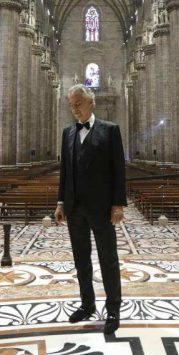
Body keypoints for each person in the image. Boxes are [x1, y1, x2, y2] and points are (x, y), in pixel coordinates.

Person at [55, 84, 126, 335]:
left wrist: (118, 204)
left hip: (102, 208)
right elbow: (65, 172)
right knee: (81, 260)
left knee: (108, 259)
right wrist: (61, 202)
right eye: (71, 105)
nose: (75, 109)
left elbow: (119, 170)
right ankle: (87, 304)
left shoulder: (110, 131)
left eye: (78, 104)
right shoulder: (68, 134)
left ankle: (114, 309)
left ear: (90, 102)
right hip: (75, 209)